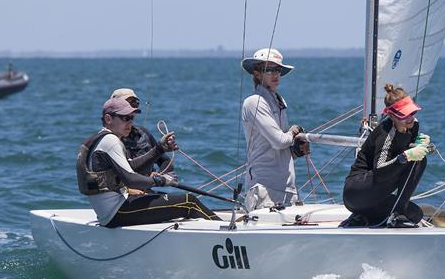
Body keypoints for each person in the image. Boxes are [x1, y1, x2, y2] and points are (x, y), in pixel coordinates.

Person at [76, 97, 218, 228]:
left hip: (110, 212)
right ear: (108, 118)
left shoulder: (100, 139)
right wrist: (160, 180)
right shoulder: (111, 141)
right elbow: (131, 180)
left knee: (175, 201)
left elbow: (130, 168)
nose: (130, 123)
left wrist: (159, 149)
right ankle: (229, 233)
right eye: (125, 118)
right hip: (118, 212)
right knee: (189, 202)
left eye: (132, 118)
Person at [341, 84, 431, 228]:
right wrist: (405, 157)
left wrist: (421, 144)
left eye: (412, 113)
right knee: (416, 161)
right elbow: (380, 172)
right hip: (356, 193)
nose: (410, 118)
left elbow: (409, 148)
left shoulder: (413, 125)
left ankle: (363, 217)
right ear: (391, 115)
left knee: (415, 215)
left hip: (374, 197)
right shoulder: (385, 134)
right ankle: (397, 214)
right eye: (404, 115)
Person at [241, 48, 309, 209]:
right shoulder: (254, 102)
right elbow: (279, 141)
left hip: (287, 186)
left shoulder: (278, 100)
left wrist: (295, 149)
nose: (275, 74)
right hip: (264, 188)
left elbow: (279, 144)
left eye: (278, 69)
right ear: (257, 74)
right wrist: (293, 131)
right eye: (269, 70)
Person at [110, 88, 178, 184]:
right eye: (125, 105)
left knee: (189, 199)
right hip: (123, 195)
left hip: (146, 192)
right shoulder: (109, 140)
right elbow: (125, 173)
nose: (130, 109)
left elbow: (164, 160)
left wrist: (165, 177)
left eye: (134, 104)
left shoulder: (143, 133)